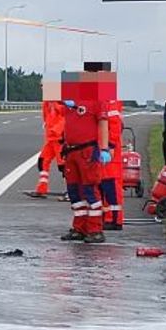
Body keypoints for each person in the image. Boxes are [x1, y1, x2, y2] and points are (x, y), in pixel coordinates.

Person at [59, 69, 112, 243]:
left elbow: (103, 124)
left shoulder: (98, 100)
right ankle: (79, 228)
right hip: (71, 151)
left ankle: (95, 229)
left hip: (88, 151)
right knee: (74, 192)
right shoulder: (70, 99)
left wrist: (104, 149)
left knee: (90, 190)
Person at [100, 98, 125, 230]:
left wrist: (110, 146)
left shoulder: (111, 101)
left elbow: (115, 125)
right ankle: (108, 217)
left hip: (111, 152)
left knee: (112, 187)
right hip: (105, 149)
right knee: (104, 186)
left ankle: (115, 219)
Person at [34, 99, 65, 196]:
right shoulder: (46, 102)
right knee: (42, 161)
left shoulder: (62, 100)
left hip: (60, 138)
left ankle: (71, 191)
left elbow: (67, 116)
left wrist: (58, 130)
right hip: (50, 139)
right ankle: (42, 188)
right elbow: (45, 117)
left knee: (64, 166)